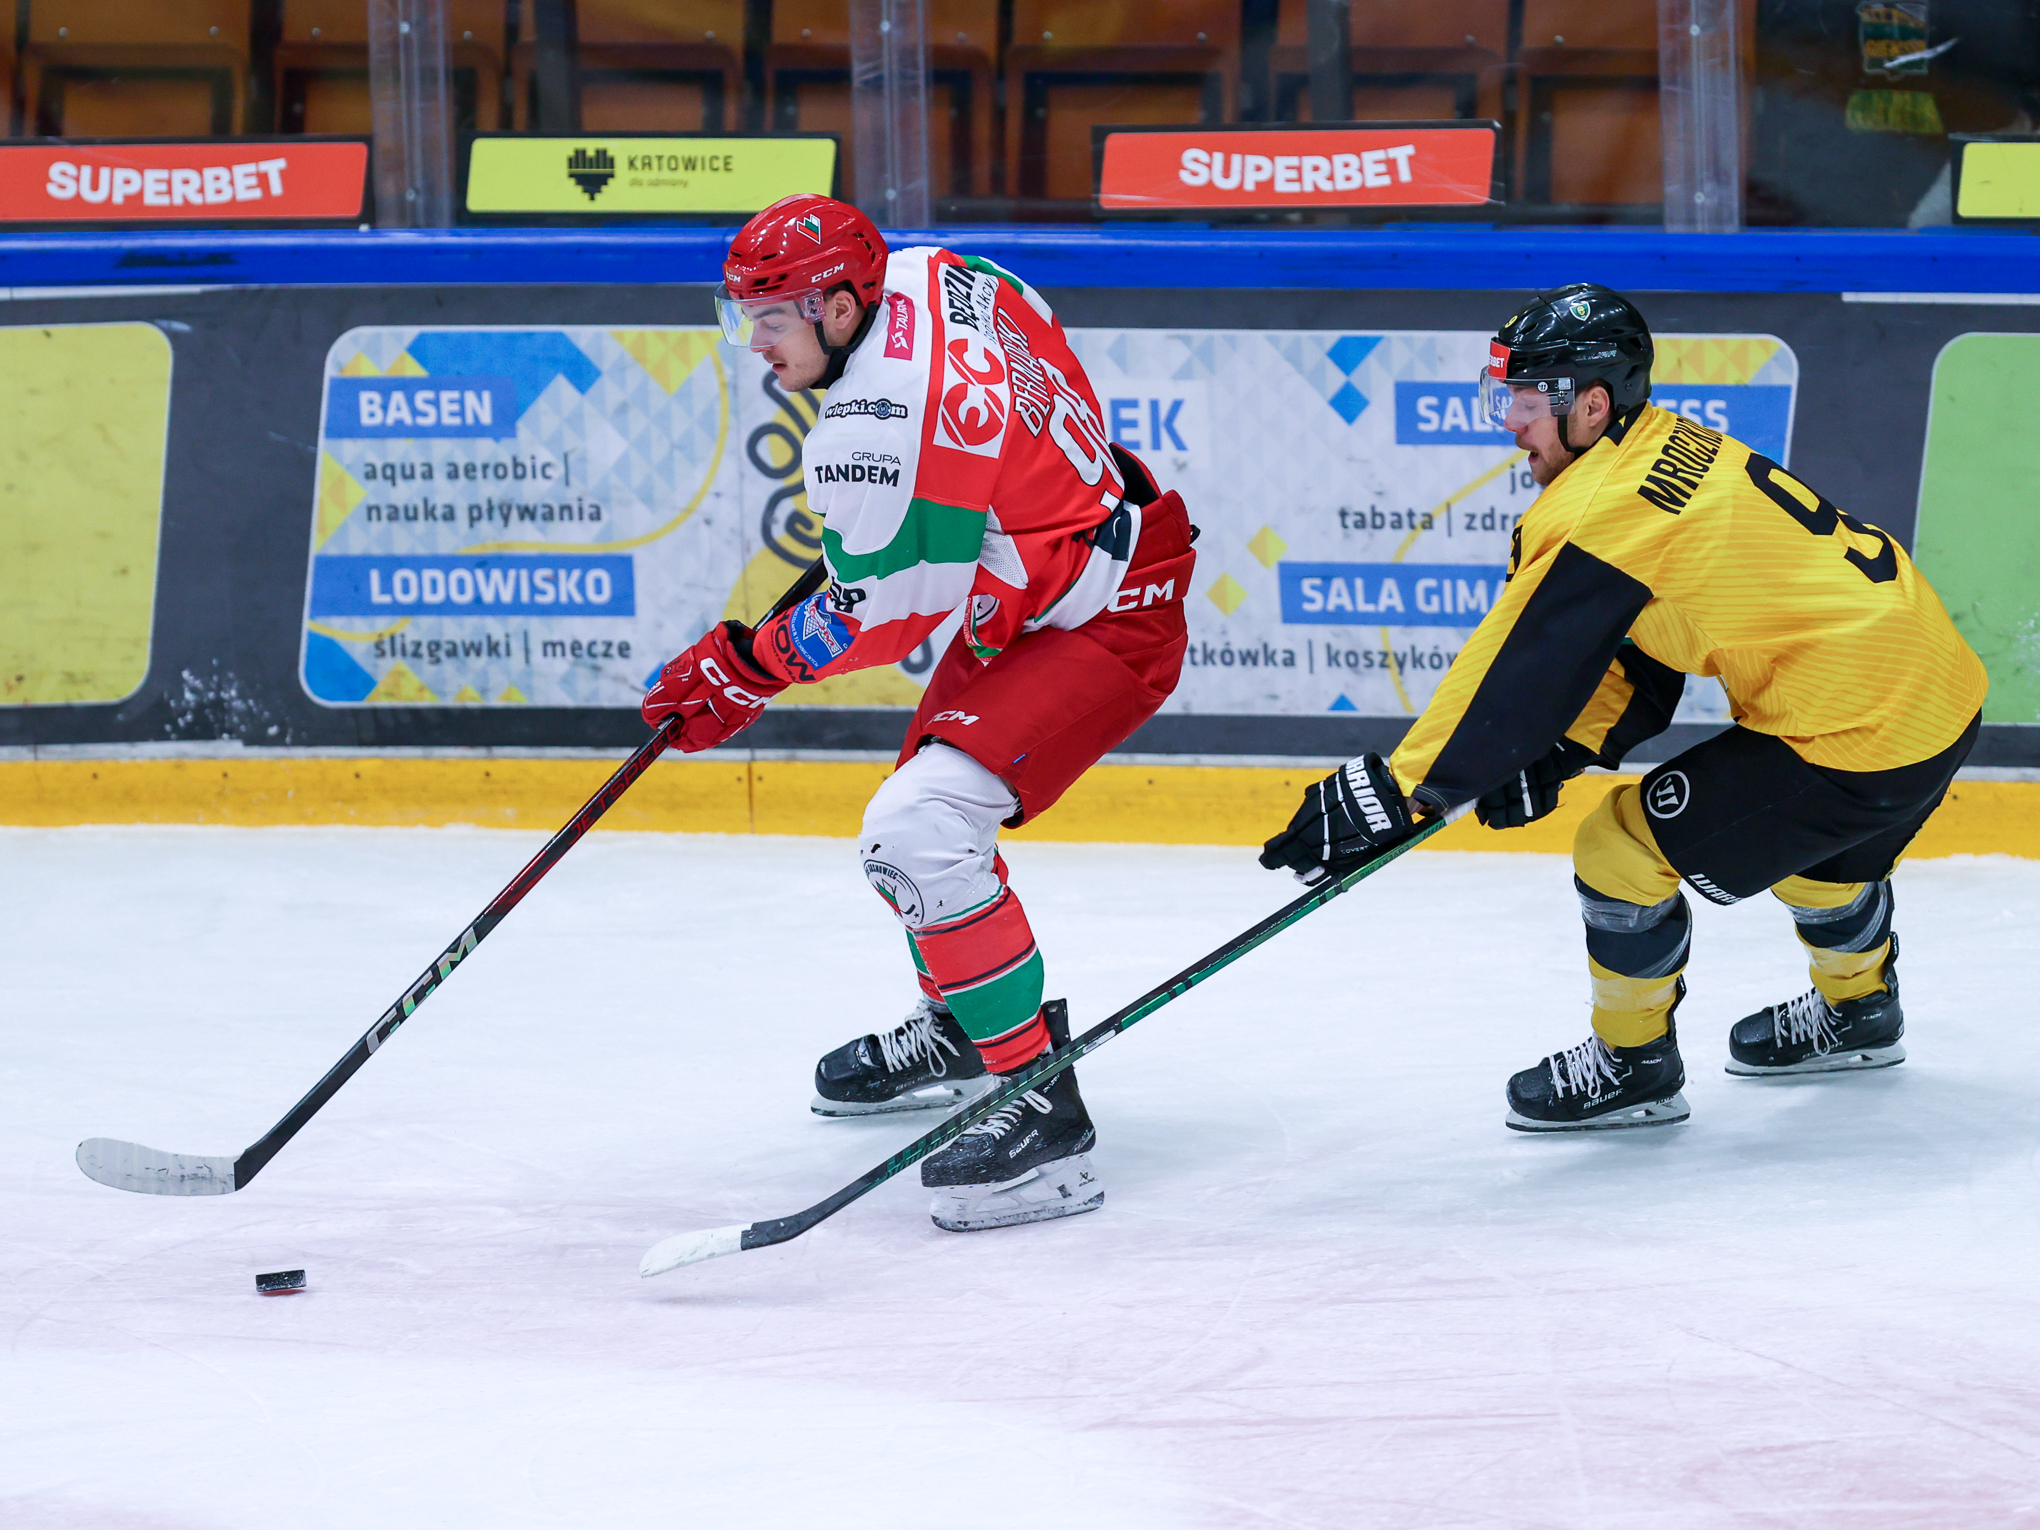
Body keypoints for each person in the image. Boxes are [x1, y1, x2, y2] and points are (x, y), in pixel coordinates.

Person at [1259, 284, 1985, 1131]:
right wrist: (1559, 748)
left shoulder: (1600, 508)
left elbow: (1516, 669)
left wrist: (1397, 790)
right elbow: (1640, 646)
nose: (1511, 424)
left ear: (1592, 404)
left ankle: (1631, 1065)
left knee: (1619, 847)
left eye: (1526, 404)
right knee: (1819, 857)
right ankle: (1859, 1010)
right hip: (1939, 697)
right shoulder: (1667, 446)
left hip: (1855, 729)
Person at [642, 194, 1197, 1225]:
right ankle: (964, 1030)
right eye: (745, 316)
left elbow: (881, 619)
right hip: (1049, 577)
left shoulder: (874, 421)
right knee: (923, 815)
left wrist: (743, 666)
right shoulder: (937, 268)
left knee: (918, 829)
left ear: (839, 307)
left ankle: (1041, 1111)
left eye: (772, 318)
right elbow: (1038, 342)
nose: (755, 344)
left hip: (1104, 617)